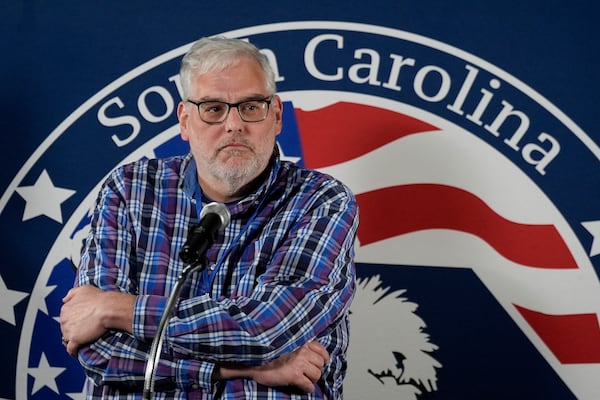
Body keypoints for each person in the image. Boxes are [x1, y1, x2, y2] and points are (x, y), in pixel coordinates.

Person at [59, 36, 359, 399]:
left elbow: (265, 331)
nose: (234, 125)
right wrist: (238, 368)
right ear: (185, 121)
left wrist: (117, 309)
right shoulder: (129, 190)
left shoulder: (321, 201)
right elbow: (99, 351)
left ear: (276, 115)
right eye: (213, 109)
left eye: (250, 107)